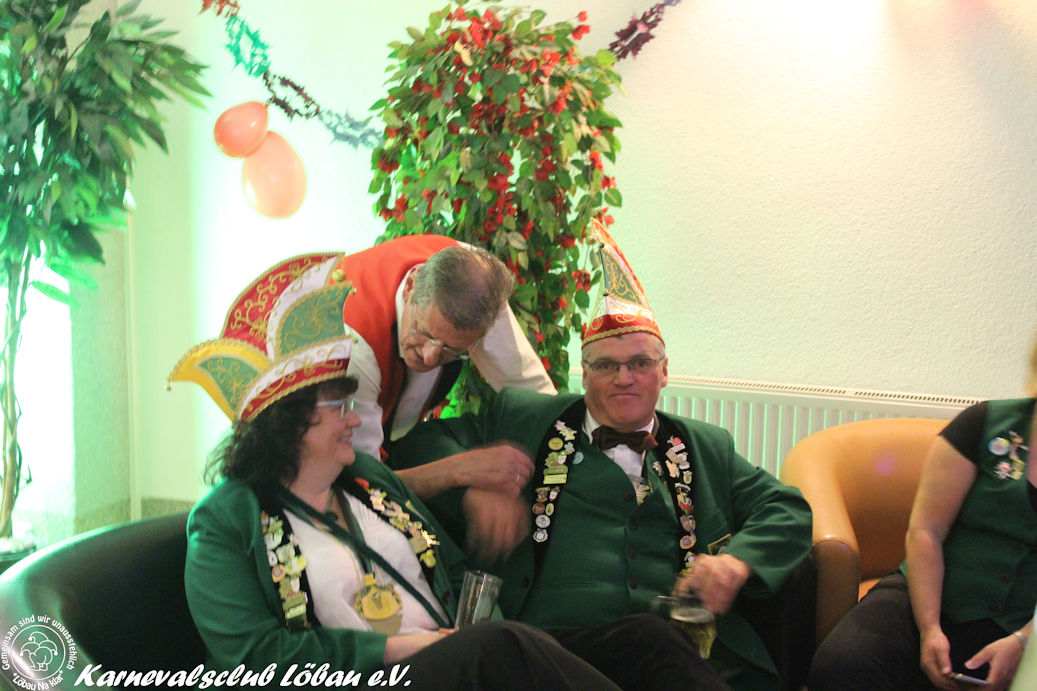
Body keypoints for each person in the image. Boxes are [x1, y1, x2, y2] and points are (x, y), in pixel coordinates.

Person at [388, 224, 813, 690]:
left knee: (657, 642)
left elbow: (787, 509)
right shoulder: (525, 419)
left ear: (664, 372)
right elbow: (416, 446)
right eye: (606, 365)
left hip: (672, 659)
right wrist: (467, 481)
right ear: (585, 375)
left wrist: (736, 563)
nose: (623, 378)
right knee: (650, 639)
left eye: (640, 363)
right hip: (548, 653)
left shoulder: (705, 446)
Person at [177, 274, 619, 689]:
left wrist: (474, 634)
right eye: (339, 407)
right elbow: (252, 657)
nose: (354, 420)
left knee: (639, 637)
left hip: (453, 657)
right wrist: (399, 649)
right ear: (288, 423)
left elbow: (453, 570)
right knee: (503, 646)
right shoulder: (223, 520)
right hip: (378, 675)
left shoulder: (365, 477)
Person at [172, 234, 554, 501]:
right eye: (423, 334)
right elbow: (364, 481)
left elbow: (530, 390)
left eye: (454, 351)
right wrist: (463, 471)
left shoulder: (473, 281)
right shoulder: (354, 344)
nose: (430, 358)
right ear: (412, 286)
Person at [808, 336, 1037, 691]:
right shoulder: (985, 423)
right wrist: (930, 628)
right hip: (929, 594)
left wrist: (1025, 641)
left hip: (1025, 622)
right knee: (843, 663)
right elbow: (926, 530)